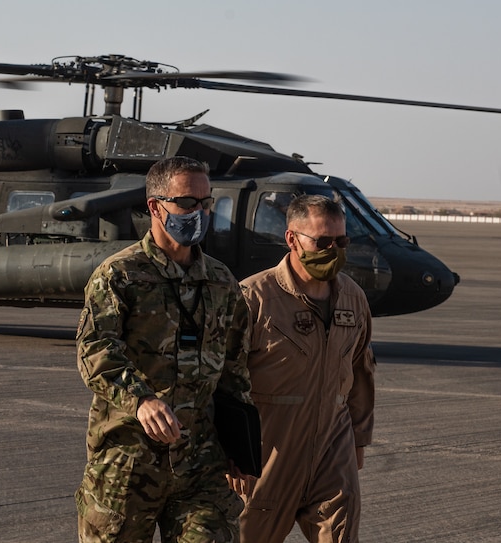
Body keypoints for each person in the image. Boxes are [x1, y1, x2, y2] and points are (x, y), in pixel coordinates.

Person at [74, 156, 253, 543]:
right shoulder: (119, 275)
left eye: (205, 203)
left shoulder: (222, 283)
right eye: (188, 202)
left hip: (202, 464)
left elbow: (235, 369)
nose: (199, 212)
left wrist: (241, 447)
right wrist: (141, 400)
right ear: (155, 206)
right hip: (127, 464)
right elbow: (95, 350)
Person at [235, 194, 375, 542]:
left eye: (341, 242)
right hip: (267, 458)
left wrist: (359, 439)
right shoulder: (254, 298)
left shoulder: (353, 298)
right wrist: (233, 452)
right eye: (323, 242)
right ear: (292, 239)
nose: (333, 250)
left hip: (332, 453)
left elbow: (361, 370)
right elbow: (223, 378)